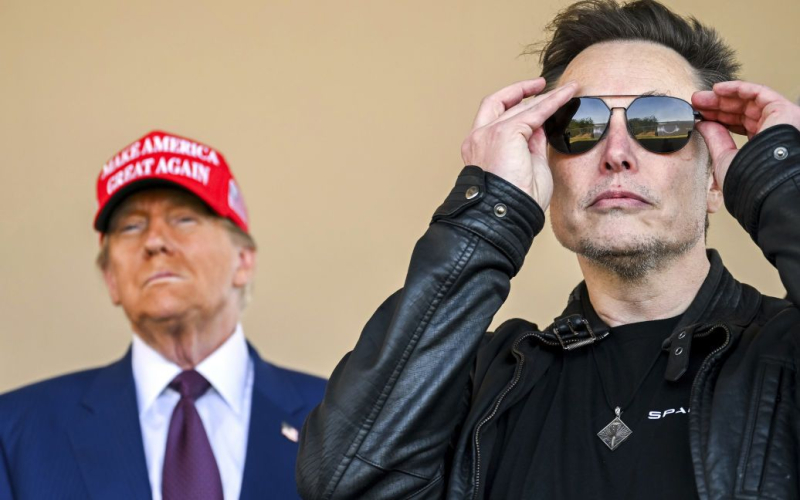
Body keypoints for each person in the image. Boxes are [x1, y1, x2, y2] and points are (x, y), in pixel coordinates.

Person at [296, 1, 800, 499]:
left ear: (714, 180)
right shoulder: (484, 382)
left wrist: (784, 180)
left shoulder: (785, 353)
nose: (616, 154)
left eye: (661, 122)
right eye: (579, 125)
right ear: (546, 171)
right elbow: (347, 480)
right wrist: (490, 209)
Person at [0, 130, 326, 500]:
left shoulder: (339, 418)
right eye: (131, 226)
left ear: (243, 261)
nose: (154, 241)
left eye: (184, 219)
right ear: (110, 278)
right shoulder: (17, 433)